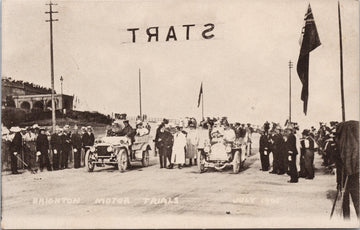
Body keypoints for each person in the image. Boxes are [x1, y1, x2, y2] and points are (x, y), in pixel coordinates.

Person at [334, 120, 359, 219]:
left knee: (349, 197)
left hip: (347, 174)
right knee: (355, 197)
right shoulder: (354, 141)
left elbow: (344, 159)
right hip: (353, 173)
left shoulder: (345, 143)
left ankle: (347, 219)